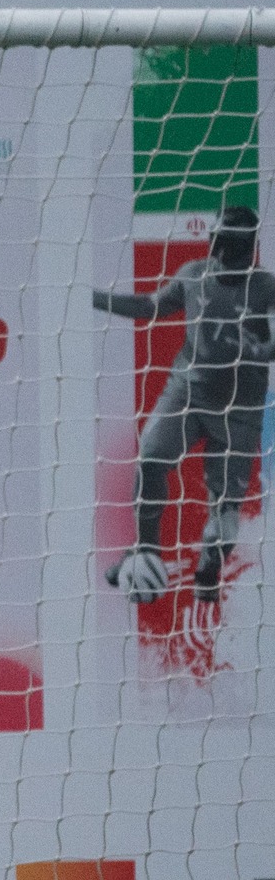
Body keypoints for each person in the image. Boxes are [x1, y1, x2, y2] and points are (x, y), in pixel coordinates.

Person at [95, 205, 275, 604]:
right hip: (187, 394)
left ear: (250, 247)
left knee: (224, 512)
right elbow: (150, 306)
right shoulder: (194, 274)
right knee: (150, 459)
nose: (219, 252)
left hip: (239, 411)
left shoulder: (266, 287)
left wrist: (261, 349)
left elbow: (273, 341)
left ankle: (208, 568)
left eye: (229, 244)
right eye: (216, 241)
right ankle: (145, 553)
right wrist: (93, 298)